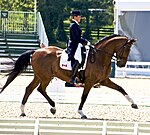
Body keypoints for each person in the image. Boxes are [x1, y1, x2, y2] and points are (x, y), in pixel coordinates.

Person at [66, 10, 88, 85]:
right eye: (79, 16)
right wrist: (85, 41)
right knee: (78, 59)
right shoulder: (73, 25)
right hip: (74, 45)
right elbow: (76, 38)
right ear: (74, 17)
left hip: (78, 44)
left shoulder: (76, 24)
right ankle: (72, 78)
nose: (80, 18)